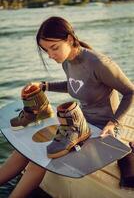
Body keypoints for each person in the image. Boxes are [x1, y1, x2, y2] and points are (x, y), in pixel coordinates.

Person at [0, 16, 133, 198]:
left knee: (38, 162)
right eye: (46, 50)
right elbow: (74, 84)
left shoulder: (99, 63)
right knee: (23, 153)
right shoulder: (67, 62)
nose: (50, 55)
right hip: (80, 126)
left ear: (70, 39)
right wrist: (44, 85)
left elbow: (130, 92)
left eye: (54, 48)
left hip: (104, 132)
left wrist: (113, 123)